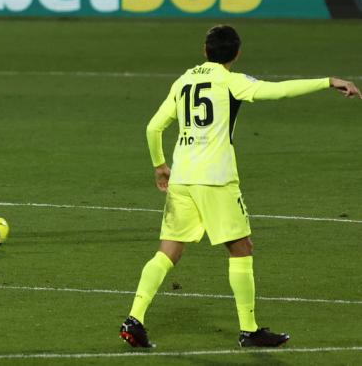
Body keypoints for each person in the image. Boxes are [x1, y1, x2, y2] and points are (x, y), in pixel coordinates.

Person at [119, 25, 361, 348]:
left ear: (205, 50)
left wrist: (160, 166)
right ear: (237, 54)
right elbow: (279, 91)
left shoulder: (183, 81)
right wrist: (329, 81)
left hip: (183, 177)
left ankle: (134, 319)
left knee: (168, 251)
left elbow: (153, 127)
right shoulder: (231, 82)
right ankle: (249, 329)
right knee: (241, 248)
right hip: (216, 179)